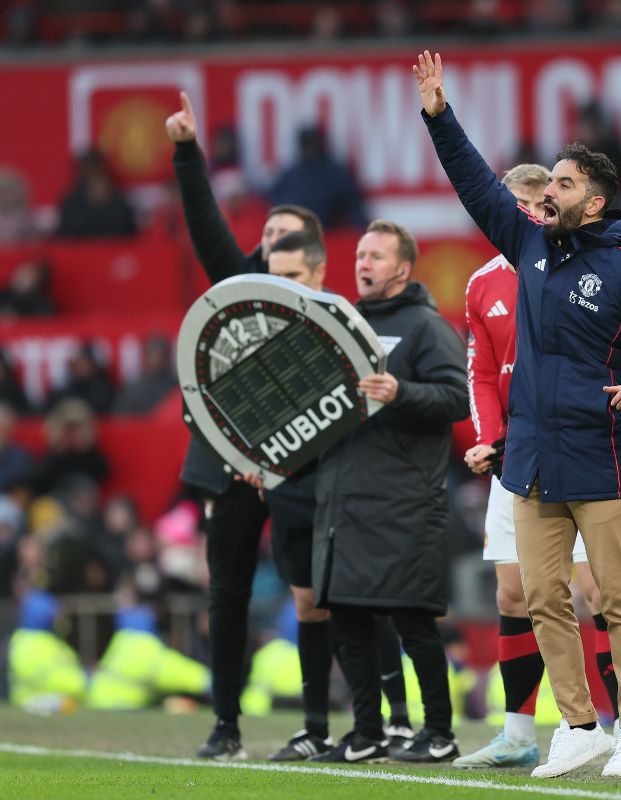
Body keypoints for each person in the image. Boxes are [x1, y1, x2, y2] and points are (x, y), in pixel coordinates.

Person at [416, 50, 621, 778]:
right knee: (542, 595)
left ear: (594, 202)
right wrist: (440, 116)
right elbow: (477, 185)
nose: (547, 191)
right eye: (547, 180)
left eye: (563, 183)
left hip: (599, 455)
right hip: (530, 458)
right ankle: (578, 724)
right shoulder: (529, 242)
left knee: (619, 600)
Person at [165, 91, 334, 762]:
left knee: (323, 593)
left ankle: (329, 724)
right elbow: (206, 224)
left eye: (286, 240)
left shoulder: (327, 317)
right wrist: (186, 151)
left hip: (301, 469)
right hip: (230, 468)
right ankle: (225, 724)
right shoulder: (239, 285)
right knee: (227, 594)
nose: (272, 247)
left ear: (310, 257)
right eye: (267, 238)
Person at [455, 163, 618, 769]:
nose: (520, 217)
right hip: (513, 456)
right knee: (513, 591)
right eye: (512, 206)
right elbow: (481, 372)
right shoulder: (481, 284)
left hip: (575, 449)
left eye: (529, 205)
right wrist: (488, 439)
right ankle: (519, 731)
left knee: (596, 587)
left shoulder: (575, 270)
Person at [309, 219, 469, 765]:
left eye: (376, 256)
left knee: (413, 623)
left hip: (403, 500)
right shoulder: (342, 324)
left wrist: (401, 391)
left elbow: (457, 398)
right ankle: (366, 732)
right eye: (359, 254)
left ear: (403, 269)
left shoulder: (427, 327)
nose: (363, 263)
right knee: (348, 621)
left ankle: (440, 732)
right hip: (346, 501)